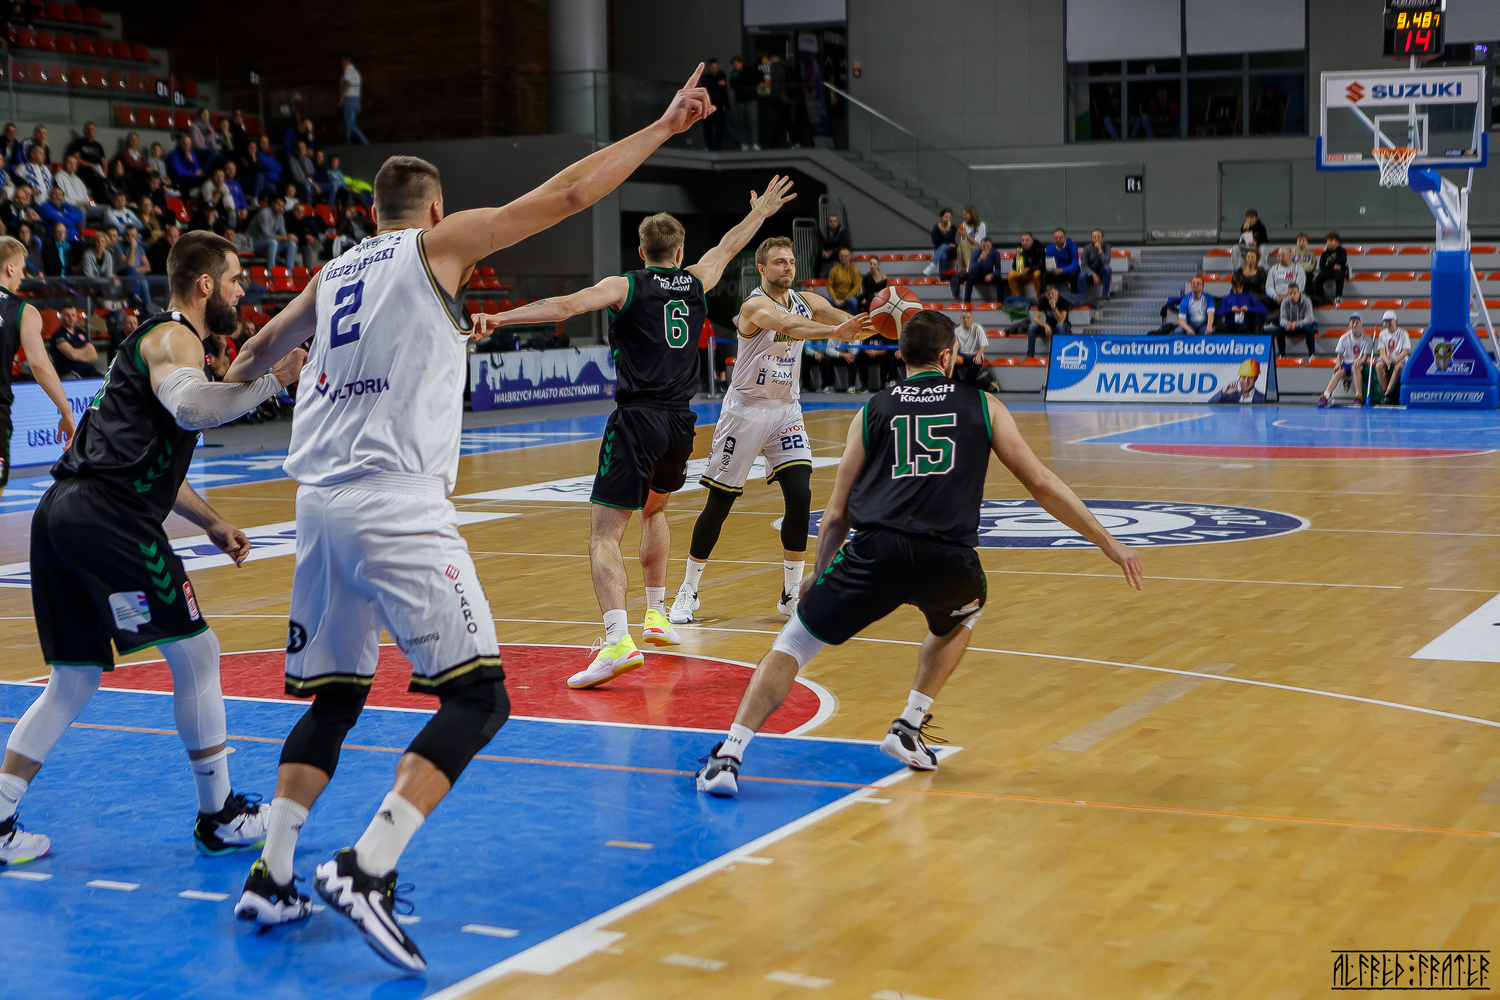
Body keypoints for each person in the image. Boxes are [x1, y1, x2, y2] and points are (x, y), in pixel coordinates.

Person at [221, 70, 716, 970]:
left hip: (317, 509)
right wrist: (659, 128)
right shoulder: (436, 246)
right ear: (434, 210)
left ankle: (273, 873)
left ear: (372, 211)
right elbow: (569, 194)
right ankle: (367, 866)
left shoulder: (331, 272)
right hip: (394, 502)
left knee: (335, 700)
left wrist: (211, 391)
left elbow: (254, 354)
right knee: (480, 697)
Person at [694, 309, 1144, 796]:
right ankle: (908, 725)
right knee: (963, 614)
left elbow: (837, 513)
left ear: (902, 356)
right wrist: (1109, 542)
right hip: (948, 560)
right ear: (948, 357)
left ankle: (728, 756)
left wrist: (820, 574)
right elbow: (1041, 483)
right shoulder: (984, 405)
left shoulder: (873, 410)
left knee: (794, 646)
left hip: (875, 553)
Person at [0, 231, 306, 870]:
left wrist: (211, 521)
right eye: (234, 280)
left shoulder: (152, 343)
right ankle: (220, 816)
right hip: (108, 520)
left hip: (63, 514)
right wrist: (274, 381)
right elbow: (192, 408)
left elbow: (150, 462)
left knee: (73, 679)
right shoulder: (175, 338)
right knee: (198, 653)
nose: (241, 290)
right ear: (205, 285)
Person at [476, 180, 799, 688]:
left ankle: (616, 642)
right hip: (680, 423)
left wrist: (500, 317)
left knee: (604, 534)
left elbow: (565, 306)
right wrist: (759, 213)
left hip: (637, 419)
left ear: (643, 252)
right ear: (680, 251)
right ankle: (656, 613)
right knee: (655, 511)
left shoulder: (626, 285)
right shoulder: (697, 280)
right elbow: (729, 245)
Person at [669, 227, 871, 627]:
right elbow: (789, 325)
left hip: (785, 411)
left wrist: (890, 322)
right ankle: (687, 590)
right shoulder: (754, 306)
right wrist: (835, 333)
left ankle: (791, 595)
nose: (788, 267)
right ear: (762, 268)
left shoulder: (808, 300)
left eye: (791, 261)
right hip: (745, 413)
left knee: (800, 495)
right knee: (719, 504)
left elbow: (853, 323)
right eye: (779, 262)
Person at [0, 236, 74, 494]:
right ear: (10, 268)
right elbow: (40, 365)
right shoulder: (22, 310)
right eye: (21, 268)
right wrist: (66, 412)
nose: (23, 275)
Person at [1319, 314, 1373, 407]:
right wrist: (1338, 364)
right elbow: (1339, 355)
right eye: (1353, 323)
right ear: (1349, 325)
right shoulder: (1344, 338)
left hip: (1359, 363)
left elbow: (1365, 357)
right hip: (1347, 363)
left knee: (1355, 369)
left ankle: (1358, 396)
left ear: (1361, 324)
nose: (1355, 325)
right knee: (1338, 373)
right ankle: (1325, 396)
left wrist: (1358, 362)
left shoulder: (1367, 339)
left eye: (1357, 323)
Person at [248, 196, 296, 272]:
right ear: (273, 204)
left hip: (270, 244)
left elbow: (284, 234)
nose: (280, 208)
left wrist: (290, 237)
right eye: (278, 205)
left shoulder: (280, 216)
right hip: (254, 243)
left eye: (282, 207)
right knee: (273, 242)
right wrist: (285, 237)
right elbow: (266, 235)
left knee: (291, 244)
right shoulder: (264, 213)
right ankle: (272, 272)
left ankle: (289, 273)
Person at [46, 305, 95, 377]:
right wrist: (86, 349)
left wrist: (77, 354)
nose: (71, 318)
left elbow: (94, 355)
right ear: (62, 317)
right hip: (70, 373)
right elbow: (72, 355)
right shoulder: (59, 335)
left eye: (73, 315)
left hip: (87, 369)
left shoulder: (80, 332)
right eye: (67, 315)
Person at [1374, 309, 1411, 404]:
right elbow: (1381, 351)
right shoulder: (1382, 334)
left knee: (1398, 367)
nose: (1387, 323)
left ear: (1396, 321)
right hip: (1387, 358)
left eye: (1390, 321)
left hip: (1399, 358)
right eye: (1386, 321)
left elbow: (1405, 351)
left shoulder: (1403, 333)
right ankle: (1385, 390)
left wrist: (1396, 359)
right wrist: (1386, 360)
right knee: (1378, 366)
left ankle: (1388, 393)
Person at [954, 306, 995, 392]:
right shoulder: (957, 331)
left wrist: (979, 355)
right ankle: (957, 383)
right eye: (964, 318)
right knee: (951, 363)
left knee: (976, 363)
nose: (966, 320)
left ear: (972, 318)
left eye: (968, 318)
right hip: (962, 355)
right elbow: (954, 347)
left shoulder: (978, 328)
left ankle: (964, 385)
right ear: (961, 319)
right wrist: (956, 356)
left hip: (975, 354)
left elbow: (983, 346)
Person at [1275, 281, 1316, 358]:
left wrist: (1295, 324)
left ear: (1299, 293)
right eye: (1290, 293)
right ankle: (1282, 355)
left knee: (1309, 328)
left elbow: (1308, 319)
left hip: (1304, 325)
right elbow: (1282, 318)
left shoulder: (1307, 301)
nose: (1292, 296)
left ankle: (1312, 355)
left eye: (1294, 293)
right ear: (1288, 294)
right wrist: (1287, 324)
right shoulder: (1284, 302)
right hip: (1290, 325)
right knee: (1278, 330)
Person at [1028, 282, 1069, 358]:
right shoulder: (1043, 301)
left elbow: (1061, 320)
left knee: (1059, 326)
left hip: (1063, 327)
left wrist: (1053, 307)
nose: (1051, 296)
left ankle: (1062, 354)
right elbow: (1035, 319)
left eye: (1052, 293)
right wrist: (1046, 326)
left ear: (1057, 293)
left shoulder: (1063, 301)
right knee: (1032, 326)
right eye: (1048, 294)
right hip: (1049, 327)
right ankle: (1030, 355)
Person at [957, 236, 1003, 304]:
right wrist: (979, 260)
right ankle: (966, 302)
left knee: (999, 278)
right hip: (978, 275)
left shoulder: (995, 253)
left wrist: (992, 275)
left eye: (987, 246)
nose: (985, 248)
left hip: (989, 275)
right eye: (983, 246)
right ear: (980, 246)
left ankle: (1000, 302)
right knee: (970, 277)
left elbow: (998, 270)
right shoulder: (975, 253)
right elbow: (971, 270)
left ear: (991, 246)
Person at [730, 55, 760, 150]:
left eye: (737, 63)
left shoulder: (749, 71)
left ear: (741, 63)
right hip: (740, 100)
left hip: (750, 99)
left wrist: (741, 80)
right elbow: (733, 84)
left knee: (753, 121)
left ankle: (754, 142)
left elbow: (752, 81)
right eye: (734, 64)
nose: (736, 66)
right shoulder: (734, 73)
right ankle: (745, 143)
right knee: (742, 122)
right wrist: (743, 80)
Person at [338, 54, 370, 145]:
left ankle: (365, 142)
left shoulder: (348, 69)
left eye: (342, 61)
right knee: (348, 124)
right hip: (355, 99)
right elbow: (359, 89)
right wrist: (358, 103)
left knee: (350, 124)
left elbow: (347, 83)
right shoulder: (357, 73)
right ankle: (347, 143)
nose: (341, 63)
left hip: (349, 99)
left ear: (346, 60)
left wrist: (342, 98)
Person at [702, 58, 731, 151]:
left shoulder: (721, 74)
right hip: (709, 105)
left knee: (720, 127)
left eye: (716, 67)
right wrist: (717, 84)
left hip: (719, 105)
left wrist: (726, 105)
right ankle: (708, 146)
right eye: (713, 67)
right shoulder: (705, 77)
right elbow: (706, 86)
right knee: (708, 127)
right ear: (709, 67)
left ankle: (717, 147)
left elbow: (723, 88)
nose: (715, 69)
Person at [1312, 231, 1347, 306]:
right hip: (1327, 270)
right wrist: (1333, 265)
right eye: (1327, 241)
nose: (1328, 243)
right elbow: (1321, 265)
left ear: (1336, 241)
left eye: (1331, 241)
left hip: (1337, 271)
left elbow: (1342, 261)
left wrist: (1328, 264)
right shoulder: (1325, 253)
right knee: (1318, 279)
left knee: (1339, 277)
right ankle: (1320, 296)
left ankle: (1338, 296)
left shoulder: (1341, 251)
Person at [1264, 246, 1304, 312]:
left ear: (1289, 256)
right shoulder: (1273, 269)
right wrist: (1276, 297)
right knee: (1261, 301)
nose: (1280, 257)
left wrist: (1288, 297)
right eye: (1279, 255)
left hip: (1292, 296)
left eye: (1283, 255)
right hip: (1276, 297)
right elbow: (1268, 286)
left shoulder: (1298, 269)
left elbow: (1300, 286)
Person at [1007, 231, 1044, 299]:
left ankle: (1038, 298)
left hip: (1033, 272)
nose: (1024, 242)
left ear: (1031, 241)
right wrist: (1017, 256)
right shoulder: (1020, 248)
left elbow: (1042, 264)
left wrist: (1029, 269)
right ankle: (1017, 298)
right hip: (1023, 273)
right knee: (1011, 275)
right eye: (1023, 241)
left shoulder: (1038, 247)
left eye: (1027, 240)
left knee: (1037, 274)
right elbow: (1014, 267)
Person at [1078, 229, 1112, 299]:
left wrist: (1100, 250)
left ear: (1102, 238)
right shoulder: (1087, 248)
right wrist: (1092, 274)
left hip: (1102, 273)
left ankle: (1105, 294)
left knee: (1107, 269)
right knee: (1081, 275)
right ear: (1091, 238)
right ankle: (1081, 298)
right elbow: (1084, 265)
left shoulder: (1107, 247)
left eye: (1098, 237)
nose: (1096, 239)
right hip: (1090, 274)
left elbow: (1106, 262)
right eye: (1094, 237)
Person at [1042, 227, 1079, 292]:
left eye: (1060, 237)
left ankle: (1074, 296)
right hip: (1055, 271)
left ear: (1065, 237)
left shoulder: (1073, 246)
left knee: (1074, 273)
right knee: (1045, 275)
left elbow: (1075, 264)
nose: (1058, 239)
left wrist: (1062, 270)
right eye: (1056, 238)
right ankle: (1046, 296)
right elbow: (1049, 263)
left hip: (1067, 271)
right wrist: (1051, 269)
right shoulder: (1049, 247)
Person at [826, 246, 860, 312]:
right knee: (825, 301)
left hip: (848, 298)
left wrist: (845, 299)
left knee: (852, 301)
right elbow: (829, 286)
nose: (843, 258)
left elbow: (857, 288)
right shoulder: (834, 270)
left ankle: (852, 317)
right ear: (839, 257)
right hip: (836, 299)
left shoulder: (855, 270)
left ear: (850, 257)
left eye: (845, 256)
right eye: (841, 256)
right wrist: (835, 300)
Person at [925, 208, 958, 276]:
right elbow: (935, 242)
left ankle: (932, 265)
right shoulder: (936, 228)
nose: (948, 219)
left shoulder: (953, 228)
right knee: (943, 254)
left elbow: (950, 240)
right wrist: (946, 244)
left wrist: (948, 229)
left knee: (944, 246)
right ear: (941, 217)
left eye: (949, 217)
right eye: (946, 217)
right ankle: (943, 274)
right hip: (939, 249)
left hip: (952, 250)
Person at [816, 213, 850, 277]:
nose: (832, 223)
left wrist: (832, 252)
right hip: (827, 253)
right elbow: (819, 245)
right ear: (828, 223)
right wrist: (823, 251)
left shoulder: (842, 231)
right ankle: (817, 278)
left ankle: (846, 275)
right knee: (818, 257)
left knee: (843, 256)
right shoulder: (822, 231)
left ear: (838, 222)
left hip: (837, 252)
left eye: (834, 221)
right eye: (830, 221)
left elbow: (843, 245)